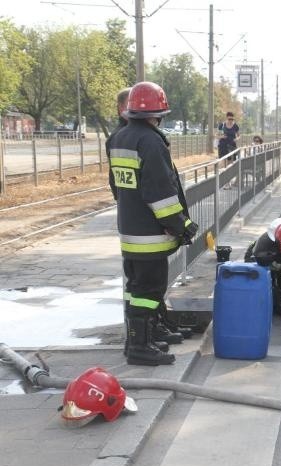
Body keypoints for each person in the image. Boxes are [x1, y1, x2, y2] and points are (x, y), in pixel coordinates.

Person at [108, 81, 198, 366]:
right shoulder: (150, 141)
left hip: (130, 229)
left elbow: (118, 186)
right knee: (148, 291)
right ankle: (140, 348)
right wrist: (181, 225)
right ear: (159, 112)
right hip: (150, 233)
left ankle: (139, 339)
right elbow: (159, 192)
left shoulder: (120, 138)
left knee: (136, 287)